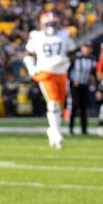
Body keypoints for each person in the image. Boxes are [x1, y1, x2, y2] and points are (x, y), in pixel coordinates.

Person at [23, 11, 76, 149]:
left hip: (61, 73)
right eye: (49, 24)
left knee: (59, 104)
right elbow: (28, 54)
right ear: (42, 24)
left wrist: (66, 61)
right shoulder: (36, 36)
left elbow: (73, 52)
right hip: (45, 73)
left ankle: (52, 131)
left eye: (53, 24)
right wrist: (31, 68)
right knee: (52, 102)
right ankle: (57, 133)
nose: (51, 26)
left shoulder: (64, 34)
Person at [68, 43, 98, 135]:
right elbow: (68, 70)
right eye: (86, 48)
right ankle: (71, 129)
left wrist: (96, 86)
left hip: (85, 85)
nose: (87, 50)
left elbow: (94, 74)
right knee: (74, 106)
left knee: (84, 108)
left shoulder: (92, 60)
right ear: (82, 48)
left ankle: (84, 130)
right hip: (75, 85)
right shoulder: (75, 58)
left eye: (89, 48)